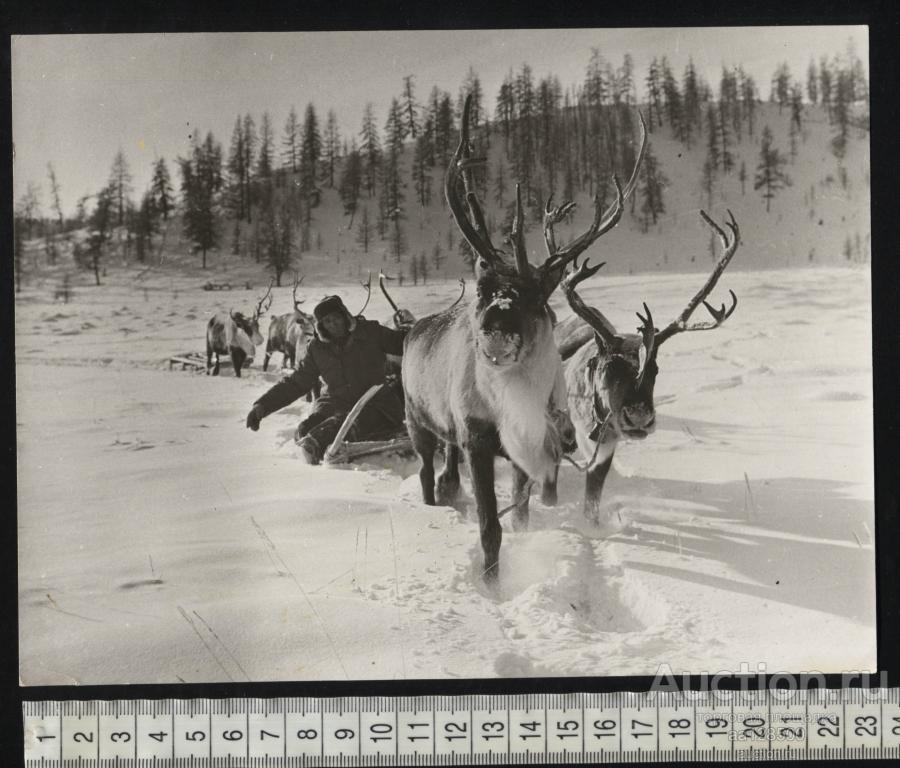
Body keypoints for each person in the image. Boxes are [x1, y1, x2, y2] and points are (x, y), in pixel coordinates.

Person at [246, 294, 410, 464]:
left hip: (376, 406)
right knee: (304, 431)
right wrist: (262, 406)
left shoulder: (370, 332)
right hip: (336, 405)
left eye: (336, 318)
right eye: (327, 321)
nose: (333, 324)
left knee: (323, 437)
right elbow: (296, 382)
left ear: (345, 316)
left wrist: (424, 331)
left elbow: (405, 343)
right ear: (320, 325)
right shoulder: (317, 348)